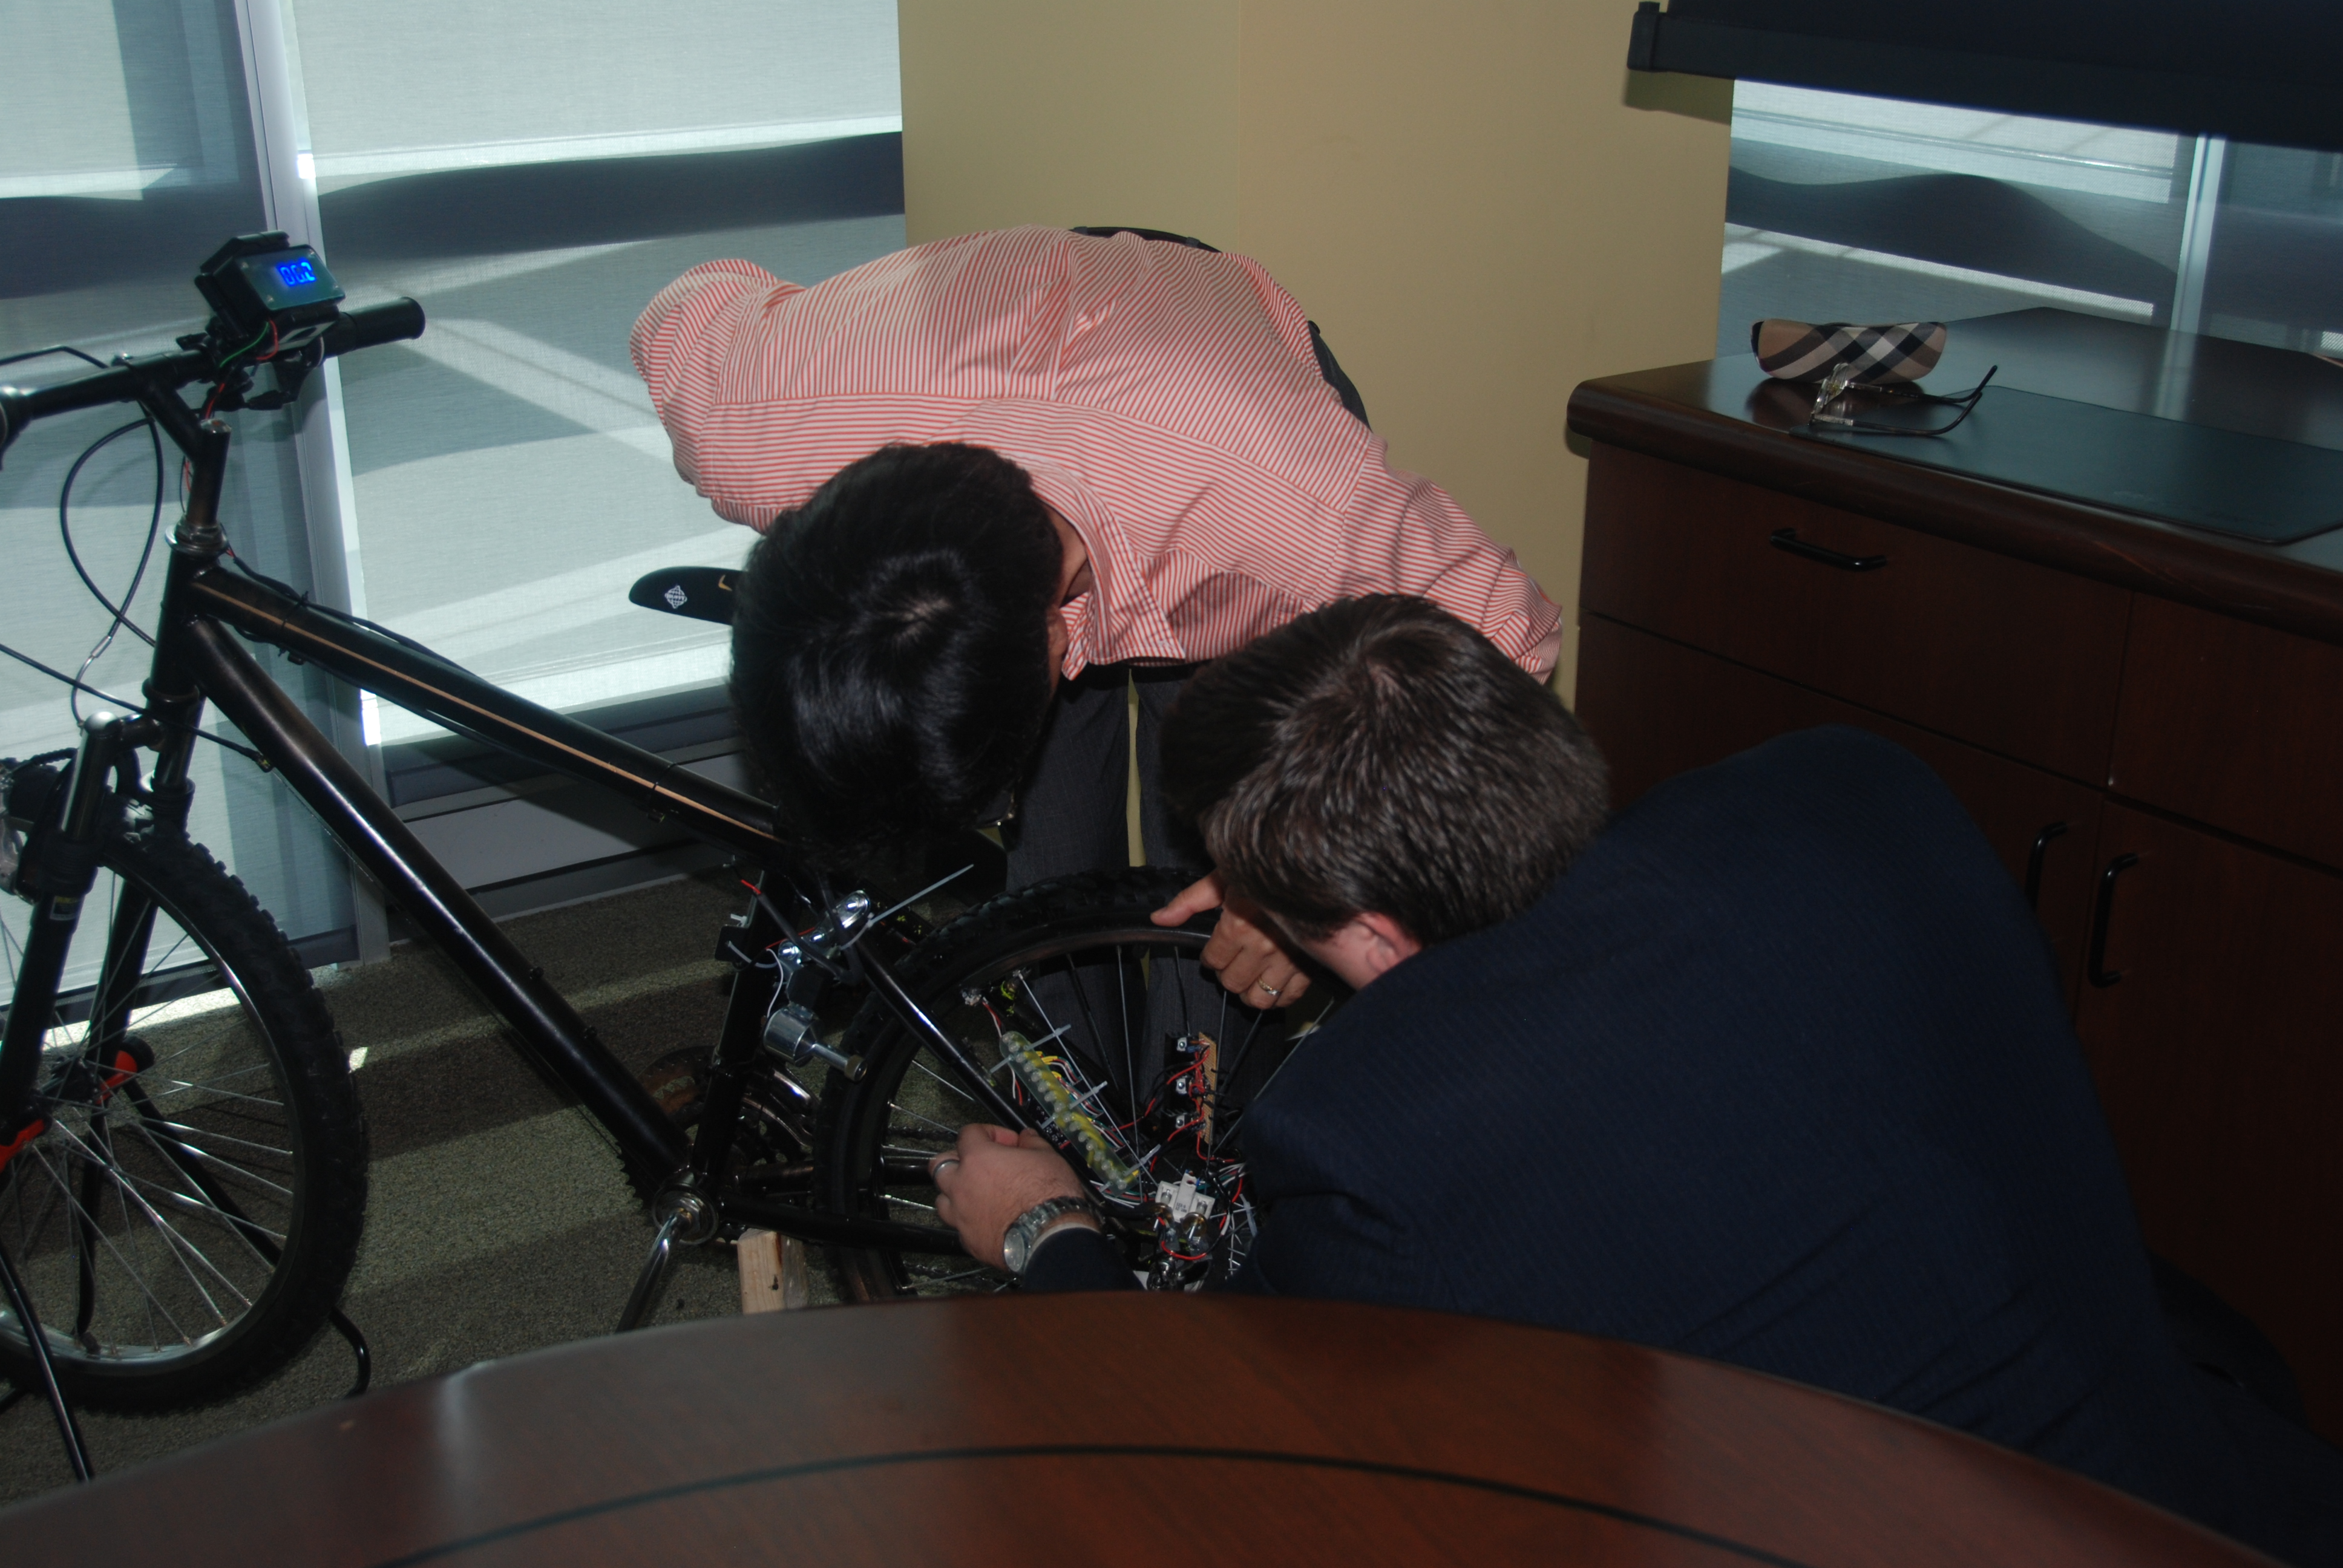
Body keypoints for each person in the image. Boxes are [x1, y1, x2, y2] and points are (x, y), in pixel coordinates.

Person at [929, 595, 2343, 1566]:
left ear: (1370, 932)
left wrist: (1049, 1231)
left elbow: (1208, 1437)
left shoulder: (1366, 1136)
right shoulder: (1853, 791)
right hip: (2227, 1497)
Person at [630, 225, 1561, 1010]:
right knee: (1049, 865)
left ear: (1057, 639)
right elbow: (679, 310)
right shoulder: (751, 424)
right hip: (1015, 336)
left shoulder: (1289, 513)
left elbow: (1507, 637)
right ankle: (1072, 1117)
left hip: (1204, 374)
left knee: (1227, 842)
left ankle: (1201, 1124)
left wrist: (1296, 877)